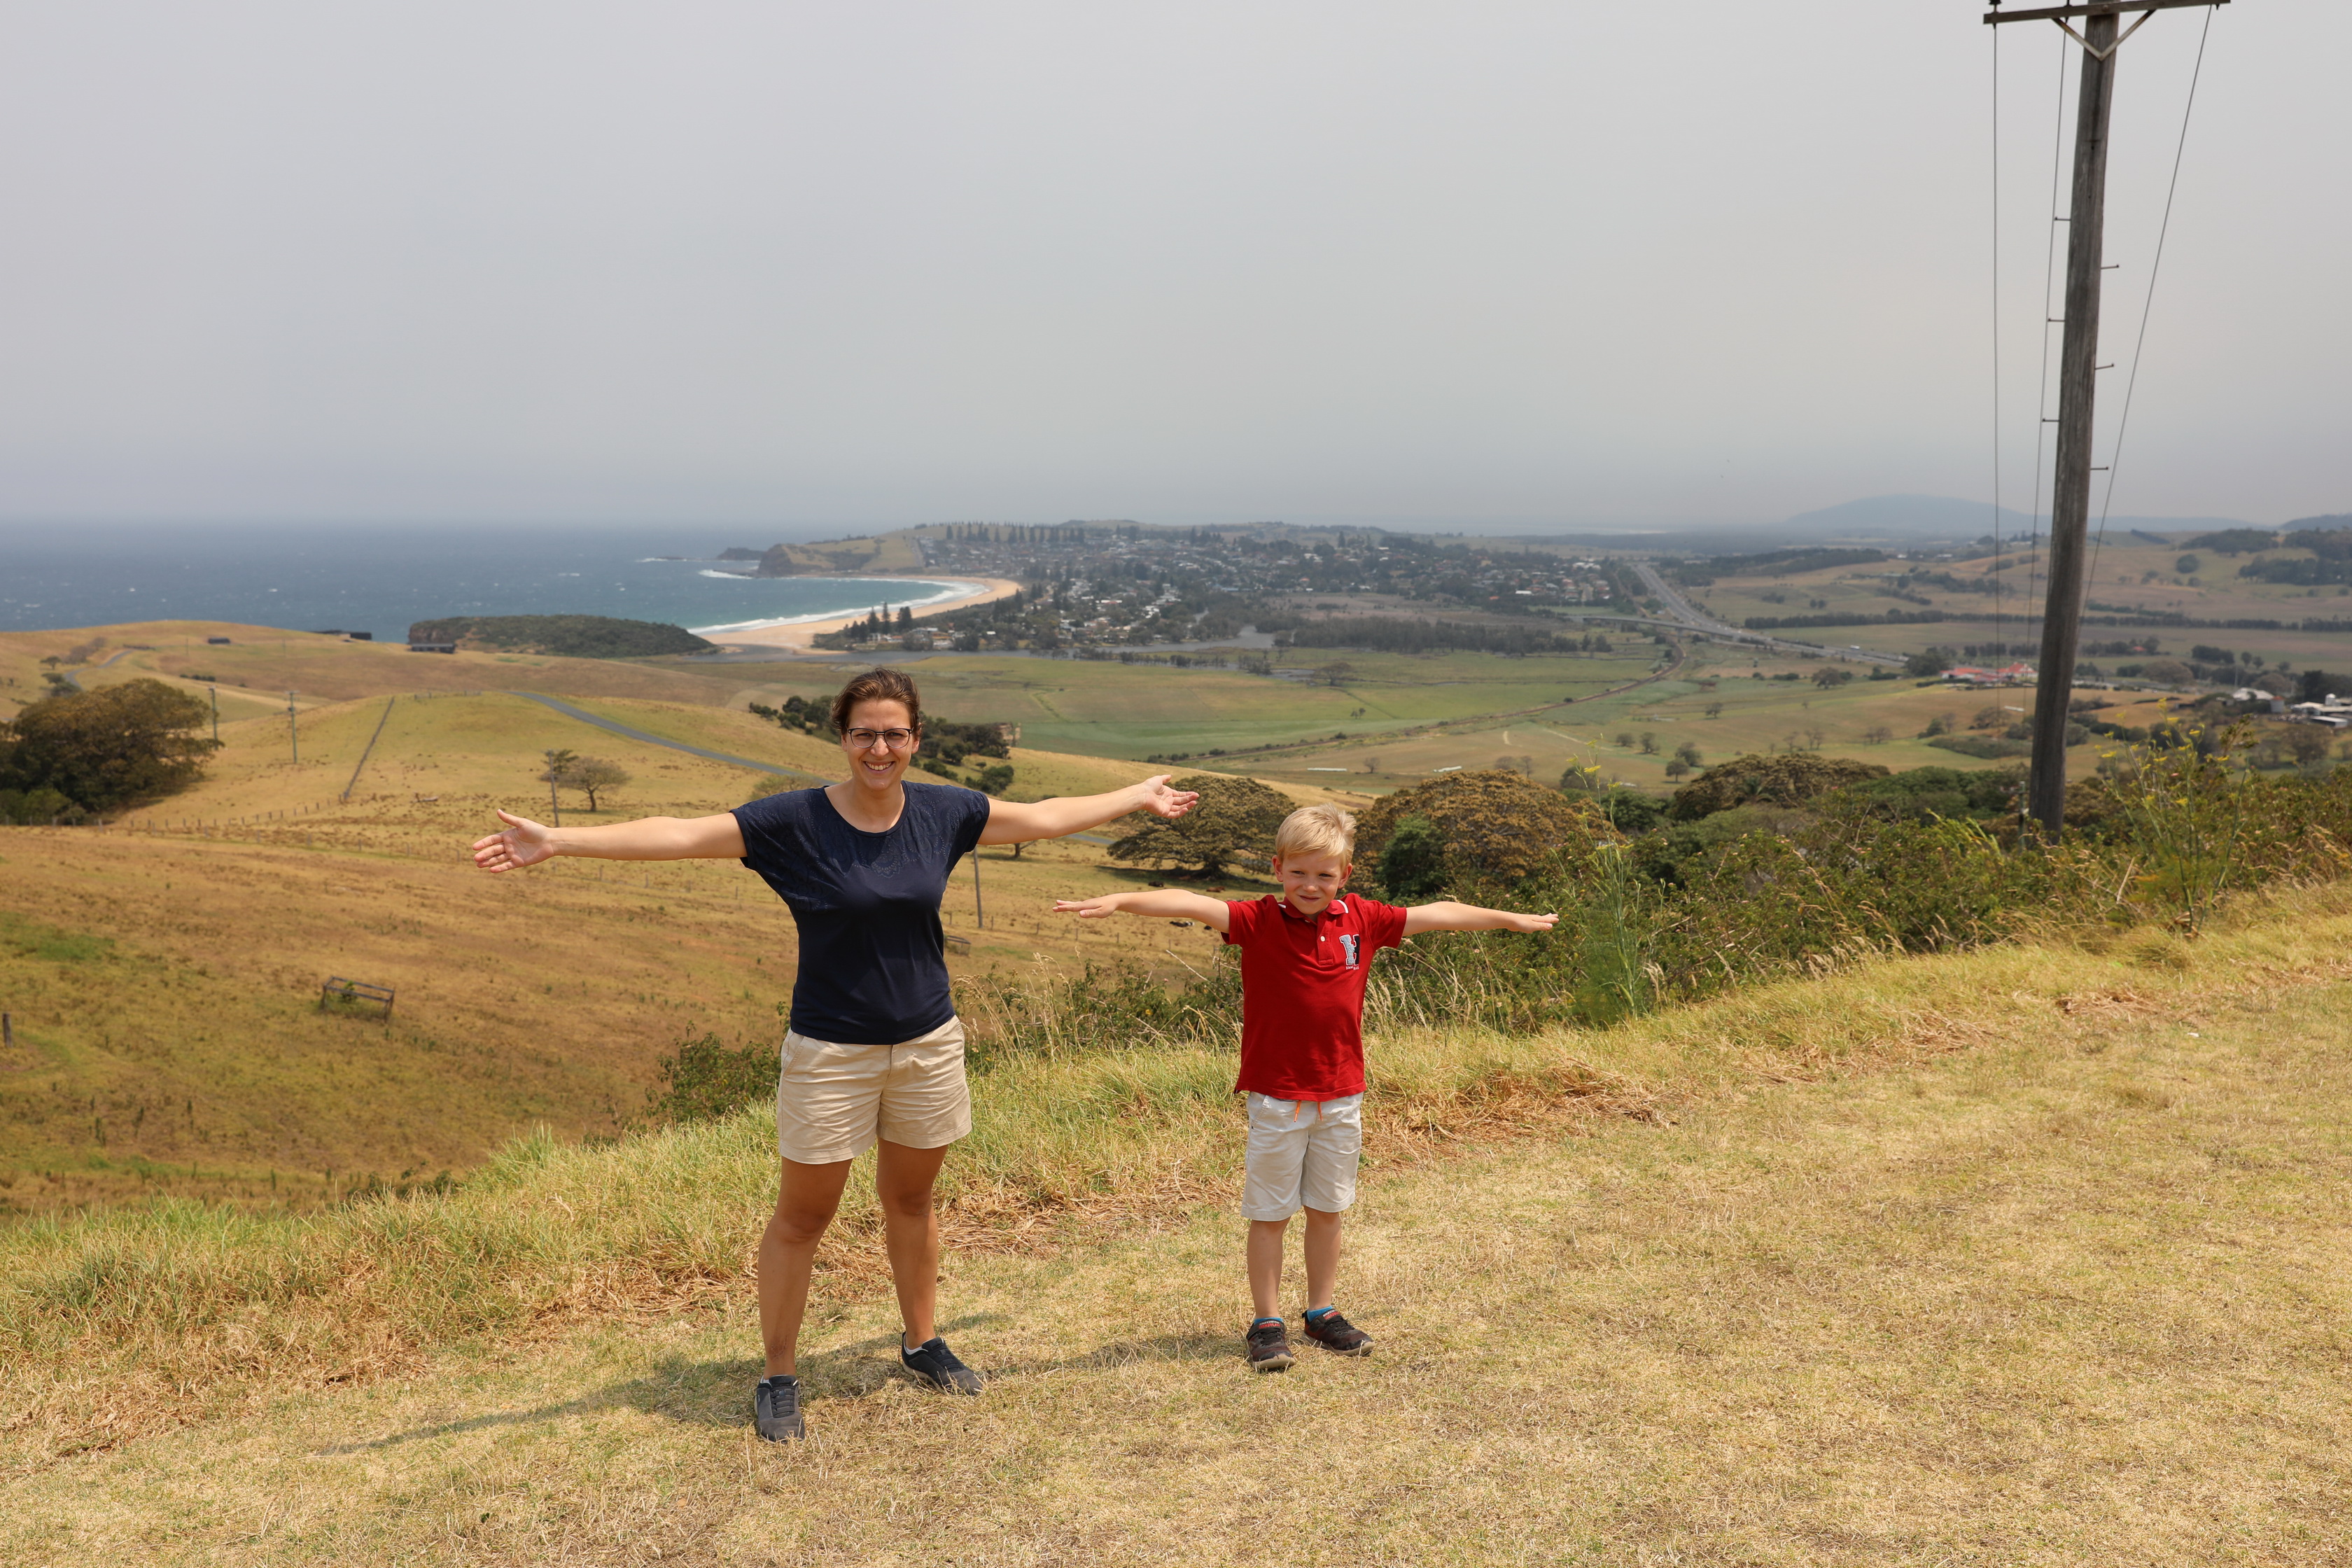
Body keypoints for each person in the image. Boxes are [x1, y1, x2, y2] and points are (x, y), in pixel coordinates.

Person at [470, 667, 1197, 1441]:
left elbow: (1047, 816)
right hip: (830, 1052)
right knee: (802, 1216)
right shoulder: (795, 822)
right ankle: (778, 1373)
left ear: (916, 738)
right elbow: (681, 832)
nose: (878, 747)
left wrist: (1134, 794)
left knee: (912, 1201)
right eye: (863, 733)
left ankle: (921, 1341)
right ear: (842, 737)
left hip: (927, 1043)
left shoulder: (945, 811)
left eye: (894, 733)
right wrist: (560, 840)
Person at [1053, 802, 1555, 1371]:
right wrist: (1122, 900)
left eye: (1324, 874)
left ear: (1345, 875)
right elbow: (1191, 903)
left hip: (1343, 1097)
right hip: (1277, 1098)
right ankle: (1267, 1323)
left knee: (1328, 1208)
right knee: (1269, 1214)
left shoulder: (1363, 920)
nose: (1310, 885)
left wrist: (1510, 919)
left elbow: (1439, 912)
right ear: (1277, 869)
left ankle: (1322, 1314)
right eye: (1298, 872)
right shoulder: (1259, 920)